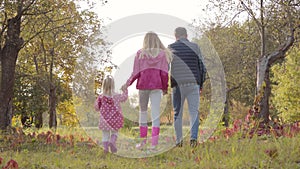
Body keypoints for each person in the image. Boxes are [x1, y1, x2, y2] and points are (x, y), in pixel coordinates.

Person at [122, 31, 172, 149]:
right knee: (155, 115)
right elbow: (164, 74)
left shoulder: (140, 54)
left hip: (143, 86)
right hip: (157, 86)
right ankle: (154, 144)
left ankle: (143, 142)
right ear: (157, 40)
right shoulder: (163, 54)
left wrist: (127, 84)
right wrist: (165, 88)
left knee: (142, 114)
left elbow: (135, 73)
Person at [168, 27, 206, 147]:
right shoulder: (195, 47)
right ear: (186, 35)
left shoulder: (170, 47)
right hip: (193, 82)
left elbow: (166, 67)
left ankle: (179, 141)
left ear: (176, 36)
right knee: (193, 112)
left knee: (177, 113)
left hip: (177, 85)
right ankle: (193, 139)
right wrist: (201, 83)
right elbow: (202, 67)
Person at [94, 75, 128, 153]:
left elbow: (96, 107)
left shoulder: (101, 97)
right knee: (115, 132)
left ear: (103, 85)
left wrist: (99, 106)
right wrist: (125, 90)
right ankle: (112, 142)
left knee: (105, 135)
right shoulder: (116, 96)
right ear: (113, 85)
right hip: (115, 120)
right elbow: (124, 98)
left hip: (104, 120)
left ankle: (106, 149)